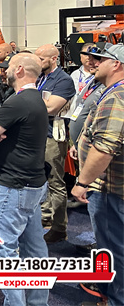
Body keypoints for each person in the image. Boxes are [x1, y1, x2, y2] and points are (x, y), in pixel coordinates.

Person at [0, 53, 49, 306]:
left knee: (1, 247)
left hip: (15, 185)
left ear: (19, 70)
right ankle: (38, 302)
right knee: (34, 248)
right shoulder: (37, 99)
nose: (4, 70)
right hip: (33, 183)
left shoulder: (18, 102)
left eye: (8, 66)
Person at [72, 43, 124, 306]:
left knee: (114, 249)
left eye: (101, 59)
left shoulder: (117, 96)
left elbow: (105, 149)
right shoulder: (112, 91)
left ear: (116, 64)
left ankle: (114, 301)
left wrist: (83, 182)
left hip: (109, 188)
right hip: (110, 187)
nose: (94, 62)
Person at [34, 44, 76, 243]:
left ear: (53, 59)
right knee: (39, 179)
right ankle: (45, 217)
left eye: (41, 59)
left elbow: (51, 108)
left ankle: (59, 227)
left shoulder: (63, 80)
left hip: (53, 135)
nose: (37, 62)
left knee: (55, 181)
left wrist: (29, 99)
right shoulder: (39, 77)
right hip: (37, 134)